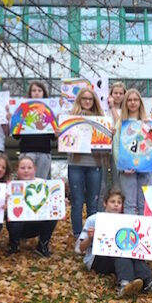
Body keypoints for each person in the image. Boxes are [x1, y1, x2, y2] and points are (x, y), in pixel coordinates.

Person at [75, 189, 152, 298]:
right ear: (105, 203)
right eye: (112, 202)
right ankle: (125, 284)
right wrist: (90, 238)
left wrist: (149, 241)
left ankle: (149, 282)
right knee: (121, 253)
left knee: (132, 253)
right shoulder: (94, 219)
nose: (116, 205)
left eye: (119, 202)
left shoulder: (127, 222)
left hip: (118, 258)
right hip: (96, 259)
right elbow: (80, 248)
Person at [67, 88, 107, 237]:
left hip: (95, 164)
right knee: (77, 202)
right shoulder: (70, 118)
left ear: (94, 101)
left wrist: (109, 134)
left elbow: (106, 144)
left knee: (93, 202)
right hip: (75, 164)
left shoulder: (101, 119)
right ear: (79, 100)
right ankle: (78, 234)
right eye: (84, 98)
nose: (87, 101)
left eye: (90, 99)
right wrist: (61, 133)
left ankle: (92, 234)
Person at [113, 89, 152, 215]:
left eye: (135, 100)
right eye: (129, 100)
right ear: (125, 103)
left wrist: (151, 131)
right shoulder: (120, 124)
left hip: (145, 167)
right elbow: (115, 147)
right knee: (129, 204)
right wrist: (121, 167)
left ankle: (143, 234)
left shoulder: (148, 122)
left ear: (140, 102)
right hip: (127, 169)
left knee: (144, 204)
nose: (132, 103)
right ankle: (130, 233)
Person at [6, 156, 58, 257]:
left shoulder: (44, 184)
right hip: (18, 225)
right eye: (22, 168)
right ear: (17, 170)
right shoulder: (11, 186)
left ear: (34, 169)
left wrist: (59, 202)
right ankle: (14, 245)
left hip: (38, 224)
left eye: (29, 168)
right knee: (12, 215)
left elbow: (52, 202)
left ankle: (42, 245)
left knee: (53, 214)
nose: (26, 171)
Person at [14, 80, 54, 179]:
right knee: (25, 181)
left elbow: (53, 136)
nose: (36, 93)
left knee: (42, 182)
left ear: (44, 93)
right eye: (34, 90)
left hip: (44, 152)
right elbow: (16, 135)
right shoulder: (22, 109)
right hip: (26, 151)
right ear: (30, 93)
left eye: (39, 90)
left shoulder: (50, 110)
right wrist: (14, 121)